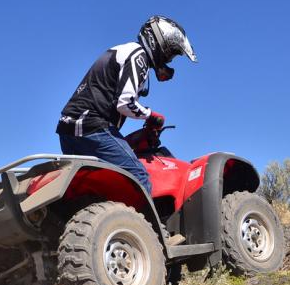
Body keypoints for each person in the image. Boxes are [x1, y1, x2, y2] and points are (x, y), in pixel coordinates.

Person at [56, 15, 197, 194]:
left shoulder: (125, 50)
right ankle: (141, 223)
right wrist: (151, 115)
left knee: (94, 191)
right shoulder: (138, 56)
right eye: (169, 53)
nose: (168, 60)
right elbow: (126, 102)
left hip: (70, 129)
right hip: (91, 126)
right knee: (140, 176)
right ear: (157, 42)